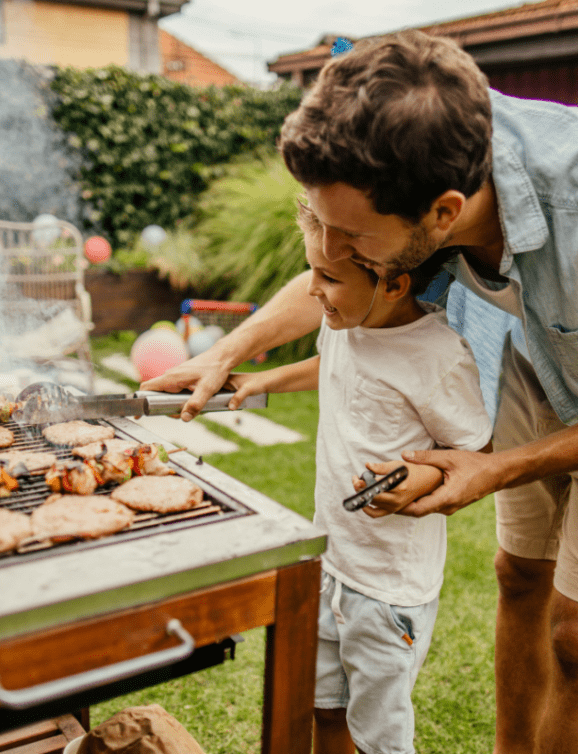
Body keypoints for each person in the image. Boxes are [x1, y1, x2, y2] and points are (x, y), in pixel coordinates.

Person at [142, 30, 578, 754]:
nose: (333, 252)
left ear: (443, 215)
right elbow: (338, 273)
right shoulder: (420, 148)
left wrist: (492, 468)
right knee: (518, 577)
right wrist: (227, 351)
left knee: (573, 636)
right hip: (539, 355)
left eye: (353, 236)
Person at [220, 202, 492, 754]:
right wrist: (259, 378)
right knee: (323, 707)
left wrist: (418, 477)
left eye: (327, 277)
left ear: (392, 283)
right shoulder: (346, 323)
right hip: (331, 563)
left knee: (380, 738)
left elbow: (474, 448)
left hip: (388, 590)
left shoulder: (438, 356)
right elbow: (332, 366)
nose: (313, 290)